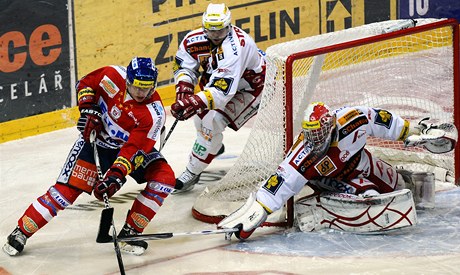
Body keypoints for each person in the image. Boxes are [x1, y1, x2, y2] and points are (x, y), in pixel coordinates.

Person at [2, 57, 176, 256]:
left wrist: (115, 175)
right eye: (137, 87)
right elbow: (85, 83)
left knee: (164, 179)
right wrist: (87, 109)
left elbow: (135, 149)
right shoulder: (111, 76)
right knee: (65, 193)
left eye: (146, 88)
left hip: (128, 149)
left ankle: (130, 232)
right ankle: (21, 232)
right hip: (95, 143)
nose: (141, 93)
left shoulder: (153, 114)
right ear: (128, 80)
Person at [218, 102, 457, 239]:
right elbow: (281, 181)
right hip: (329, 181)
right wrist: (258, 210)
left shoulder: (352, 119)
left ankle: (384, 187)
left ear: (331, 124)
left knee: (399, 187)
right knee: (369, 195)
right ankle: (325, 208)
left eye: (319, 132)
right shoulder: (303, 153)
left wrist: (410, 131)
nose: (315, 138)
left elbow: (382, 120)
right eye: (310, 133)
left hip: (361, 163)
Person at [170, 3, 266, 193]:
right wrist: (184, 89)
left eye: (220, 30)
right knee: (200, 121)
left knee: (211, 123)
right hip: (222, 85)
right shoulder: (193, 40)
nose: (215, 35)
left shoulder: (236, 47)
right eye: (210, 30)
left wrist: (192, 101)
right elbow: (184, 67)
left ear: (229, 26)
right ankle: (213, 147)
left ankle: (192, 171)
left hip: (251, 87)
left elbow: (222, 92)